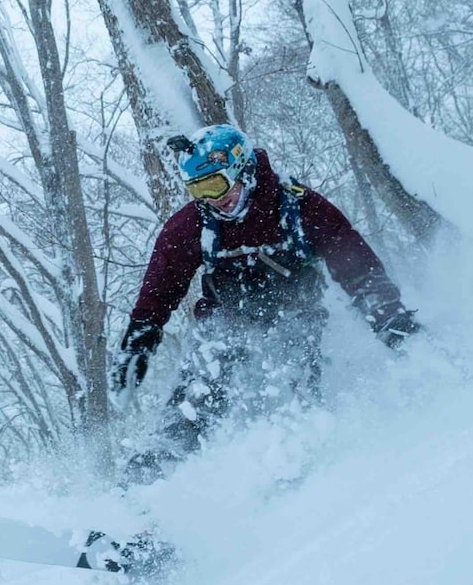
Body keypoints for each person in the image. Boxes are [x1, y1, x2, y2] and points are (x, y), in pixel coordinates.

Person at [111, 124, 420, 485]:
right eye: (198, 189)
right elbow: (161, 285)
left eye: (216, 184)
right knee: (199, 390)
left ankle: (292, 467)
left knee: (290, 376)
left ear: (243, 170)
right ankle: (152, 477)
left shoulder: (299, 208)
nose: (212, 199)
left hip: (297, 317)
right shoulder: (194, 225)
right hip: (225, 323)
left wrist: (389, 319)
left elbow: (355, 267)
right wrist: (140, 338)